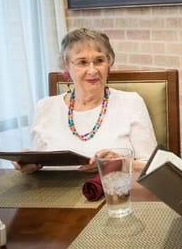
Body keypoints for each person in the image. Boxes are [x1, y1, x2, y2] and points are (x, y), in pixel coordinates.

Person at [16, 28, 157, 174]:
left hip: (111, 192)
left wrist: (121, 163)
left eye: (99, 61)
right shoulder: (45, 107)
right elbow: (39, 166)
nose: (92, 70)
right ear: (66, 67)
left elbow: (152, 166)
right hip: (51, 194)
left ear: (109, 64)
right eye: (82, 62)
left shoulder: (131, 102)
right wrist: (29, 166)